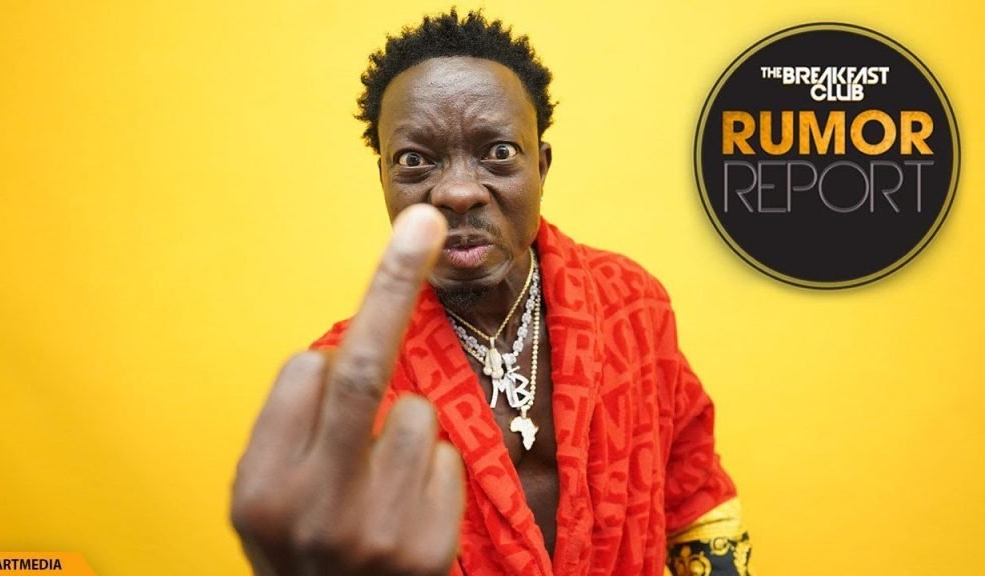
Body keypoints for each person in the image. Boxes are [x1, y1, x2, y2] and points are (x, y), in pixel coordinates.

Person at [231, 9, 751, 576]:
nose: (458, 192)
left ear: (541, 167)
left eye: (498, 152)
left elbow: (695, 495)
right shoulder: (346, 384)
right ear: (383, 178)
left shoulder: (630, 303)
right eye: (414, 160)